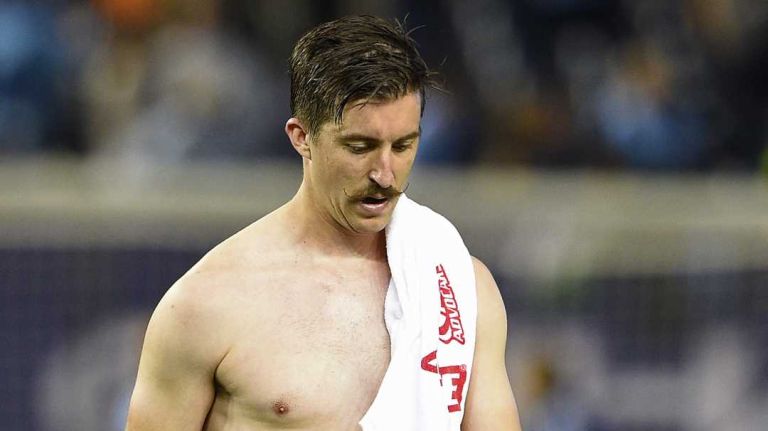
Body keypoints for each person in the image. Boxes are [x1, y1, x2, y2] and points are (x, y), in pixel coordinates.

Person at [125, 15, 521, 431]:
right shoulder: (204, 305)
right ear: (301, 136)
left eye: (403, 145)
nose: (385, 174)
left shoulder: (459, 290)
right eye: (359, 146)